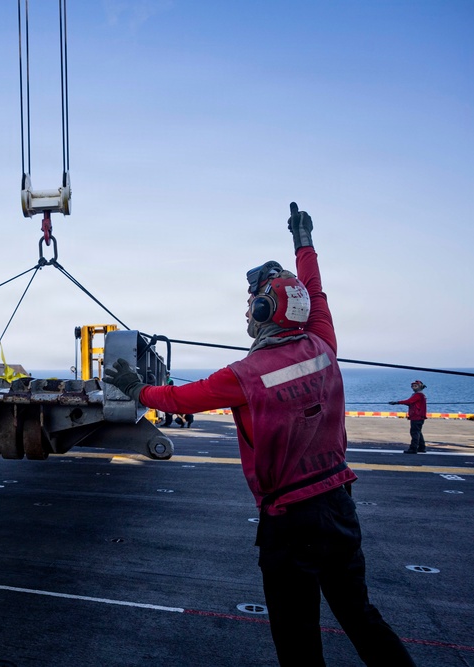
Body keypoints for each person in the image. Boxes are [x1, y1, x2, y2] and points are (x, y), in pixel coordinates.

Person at [104, 203, 415, 666]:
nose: (247, 311)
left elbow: (180, 399)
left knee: (297, 637)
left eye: (252, 304)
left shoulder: (245, 374)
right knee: (360, 617)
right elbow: (316, 292)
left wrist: (136, 388)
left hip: (289, 521)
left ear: (267, 309)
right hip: (339, 508)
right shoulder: (323, 344)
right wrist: (303, 245)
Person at [390, 381, 428, 454]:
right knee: (418, 432)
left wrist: (397, 402)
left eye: (415, 386)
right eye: (413, 386)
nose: (413, 387)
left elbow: (409, 401)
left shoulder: (418, 395)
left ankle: (413, 449)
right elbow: (411, 403)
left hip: (416, 416)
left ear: (420, 386)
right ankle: (421, 447)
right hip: (419, 416)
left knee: (414, 432)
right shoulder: (421, 395)